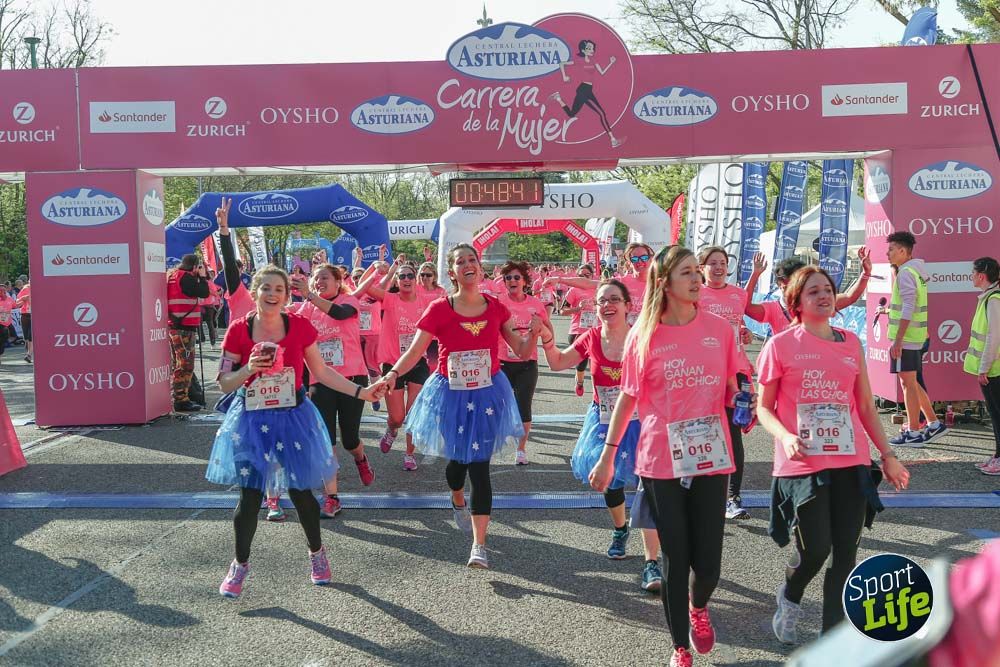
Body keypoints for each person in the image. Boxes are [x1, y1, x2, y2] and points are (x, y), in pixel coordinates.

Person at [593, 246, 741, 667]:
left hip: (710, 454)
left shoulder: (719, 329)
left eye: (697, 271)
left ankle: (699, 605)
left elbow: (733, 385)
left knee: (708, 565)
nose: (697, 279)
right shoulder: (644, 335)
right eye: (687, 273)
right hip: (661, 458)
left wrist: (742, 401)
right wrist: (607, 456)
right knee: (675, 555)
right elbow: (628, 397)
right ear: (664, 282)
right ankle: (680, 647)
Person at [206, 264, 385, 599]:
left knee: (301, 492)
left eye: (279, 289)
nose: (272, 294)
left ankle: (317, 552)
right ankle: (239, 564)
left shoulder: (300, 327)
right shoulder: (238, 330)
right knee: (250, 496)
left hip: (293, 416)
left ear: (288, 296)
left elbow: (322, 372)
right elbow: (224, 382)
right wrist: (248, 369)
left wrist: (362, 392)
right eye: (266, 288)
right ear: (255, 291)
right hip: (251, 419)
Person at [756, 265, 910, 643]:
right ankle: (790, 597)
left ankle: (832, 640)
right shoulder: (780, 345)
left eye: (827, 289)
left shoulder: (850, 343)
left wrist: (887, 455)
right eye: (813, 291)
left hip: (851, 459)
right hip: (803, 462)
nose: (824, 296)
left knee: (846, 553)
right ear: (796, 301)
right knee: (815, 550)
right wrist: (785, 435)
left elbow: (866, 406)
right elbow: (764, 408)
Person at [373, 243, 543, 570]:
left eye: (472, 260)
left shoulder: (496, 307)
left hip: (487, 395)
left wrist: (534, 334)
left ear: (480, 267)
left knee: (479, 466)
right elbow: (415, 351)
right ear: (452, 272)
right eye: (460, 261)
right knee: (457, 465)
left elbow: (522, 351)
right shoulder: (439, 308)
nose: (467, 264)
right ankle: (456, 497)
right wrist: (392, 374)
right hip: (451, 394)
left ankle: (479, 545)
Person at [542, 278, 664, 593]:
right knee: (611, 482)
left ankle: (652, 562)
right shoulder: (591, 337)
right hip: (603, 421)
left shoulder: (644, 337)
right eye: (601, 301)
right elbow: (557, 363)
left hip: (642, 422)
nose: (607, 306)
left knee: (648, 488)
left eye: (614, 300)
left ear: (627, 306)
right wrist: (546, 338)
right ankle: (621, 528)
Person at [291, 263, 376, 518]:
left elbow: (339, 314)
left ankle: (360, 458)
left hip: (351, 378)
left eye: (324, 277)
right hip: (321, 381)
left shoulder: (348, 301)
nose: (319, 281)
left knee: (350, 439)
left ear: (338, 282)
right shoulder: (307, 308)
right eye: (316, 278)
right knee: (326, 441)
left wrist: (309, 295)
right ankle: (332, 497)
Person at [695, 246, 757, 521]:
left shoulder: (738, 294)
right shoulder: (694, 294)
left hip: (737, 369)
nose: (719, 267)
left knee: (733, 433)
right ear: (702, 268)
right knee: (703, 431)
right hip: (704, 371)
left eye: (723, 262)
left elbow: (738, 324)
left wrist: (745, 332)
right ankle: (702, 492)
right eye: (713, 263)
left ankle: (733, 497)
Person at [356, 255, 432, 472]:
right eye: (402, 276)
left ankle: (409, 453)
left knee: (413, 413)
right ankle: (392, 430)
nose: (406, 279)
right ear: (397, 281)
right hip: (393, 365)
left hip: (418, 362)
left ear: (416, 279)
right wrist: (378, 270)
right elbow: (364, 287)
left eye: (410, 275)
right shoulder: (390, 299)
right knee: (397, 418)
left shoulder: (426, 301)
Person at [885, 231, 945, 446]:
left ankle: (913, 432)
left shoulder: (906, 273)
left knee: (908, 384)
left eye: (891, 249)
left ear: (903, 251)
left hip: (907, 339)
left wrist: (898, 340)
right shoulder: (913, 271)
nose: (887, 253)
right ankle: (933, 423)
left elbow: (909, 307)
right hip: (914, 337)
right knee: (911, 382)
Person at [744, 249, 873, 337]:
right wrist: (755, 274)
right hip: (786, 367)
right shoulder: (773, 309)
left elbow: (850, 297)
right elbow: (745, 306)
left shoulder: (817, 303)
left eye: (796, 285)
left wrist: (865, 273)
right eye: (786, 286)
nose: (792, 290)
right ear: (779, 285)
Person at [497, 261, 551, 466]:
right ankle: (500, 437)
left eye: (516, 277)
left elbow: (548, 330)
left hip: (527, 363)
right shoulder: (499, 303)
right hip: (502, 362)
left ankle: (521, 449)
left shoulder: (535, 304)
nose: (512, 281)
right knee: (499, 405)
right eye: (508, 278)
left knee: (524, 406)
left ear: (525, 281)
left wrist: (548, 345)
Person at [550, 39, 623, 148]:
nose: (592, 50)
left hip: (588, 90)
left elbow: (602, 72)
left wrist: (611, 63)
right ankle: (613, 140)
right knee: (601, 113)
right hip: (583, 90)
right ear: (583, 50)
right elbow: (562, 63)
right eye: (589, 48)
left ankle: (558, 98)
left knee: (571, 114)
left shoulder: (593, 61)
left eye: (592, 48)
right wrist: (564, 76)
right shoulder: (579, 61)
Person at [965, 256, 1000, 475]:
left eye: (973, 272)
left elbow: (993, 337)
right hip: (992, 369)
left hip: (994, 370)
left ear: (981, 275)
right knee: (995, 414)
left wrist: (984, 367)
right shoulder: (989, 298)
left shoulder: (993, 300)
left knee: (997, 415)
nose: (971, 276)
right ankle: (997, 455)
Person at [547, 264, 597, 397]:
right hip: (578, 330)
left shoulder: (599, 288)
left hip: (596, 330)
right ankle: (580, 382)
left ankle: (597, 392)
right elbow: (562, 311)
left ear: (592, 275)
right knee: (581, 363)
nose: (584, 278)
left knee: (596, 363)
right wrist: (578, 309)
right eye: (580, 276)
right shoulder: (573, 291)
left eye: (587, 275)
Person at [166, 257, 209, 411]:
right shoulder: (186, 278)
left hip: (174, 324)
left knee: (177, 363)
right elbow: (204, 292)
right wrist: (202, 277)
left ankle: (179, 396)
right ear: (194, 266)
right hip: (184, 327)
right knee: (185, 365)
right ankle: (180, 399)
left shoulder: (173, 276)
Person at [201, 270, 222, 347]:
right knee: (201, 324)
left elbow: (216, 293)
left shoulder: (210, 283)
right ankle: (204, 341)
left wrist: (208, 291)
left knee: (210, 323)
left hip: (208, 305)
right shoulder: (199, 282)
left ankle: (212, 342)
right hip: (201, 305)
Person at [13, 281, 31, 363]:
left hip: (35, 315)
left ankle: (29, 355)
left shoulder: (40, 288)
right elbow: (17, 304)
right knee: (26, 338)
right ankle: (29, 352)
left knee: (31, 336)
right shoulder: (25, 289)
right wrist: (23, 299)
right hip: (24, 314)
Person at [0, 288, 14, 366]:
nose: (3, 292)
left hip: (7, 322)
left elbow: (15, 305)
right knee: (2, 340)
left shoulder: (9, 298)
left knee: (9, 337)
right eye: (2, 291)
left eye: (4, 291)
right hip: (1, 323)